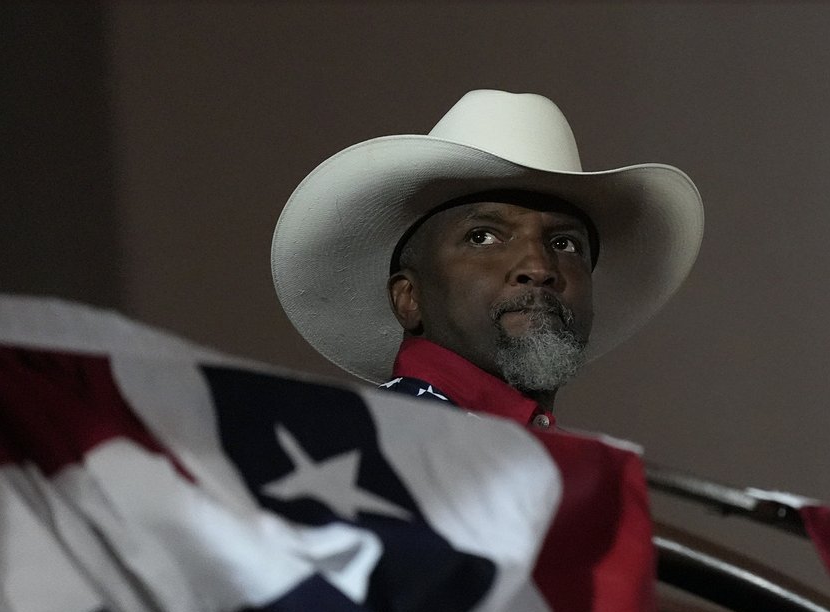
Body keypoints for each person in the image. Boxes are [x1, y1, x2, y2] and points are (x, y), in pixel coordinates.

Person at [270, 89, 704, 428]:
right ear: (409, 298)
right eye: (483, 237)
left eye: (565, 244)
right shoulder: (368, 445)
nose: (539, 268)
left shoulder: (577, 478)